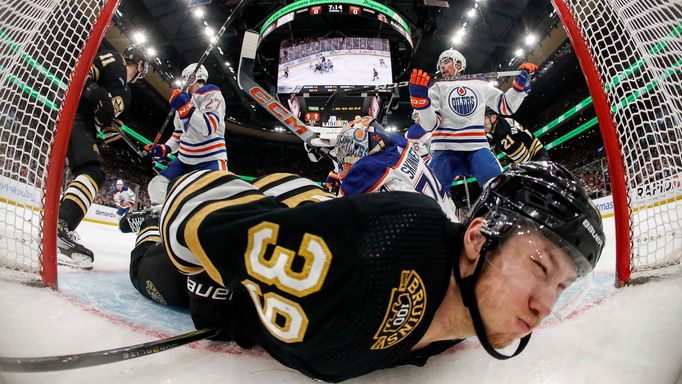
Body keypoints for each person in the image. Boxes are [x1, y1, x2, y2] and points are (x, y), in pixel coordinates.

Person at [134, 161, 603, 382]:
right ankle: (144, 231)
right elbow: (197, 204)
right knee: (155, 274)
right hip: (266, 219)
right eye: (540, 264)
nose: (545, 306)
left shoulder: (469, 314)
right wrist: (206, 275)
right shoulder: (391, 242)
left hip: (311, 218)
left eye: (563, 285)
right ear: (478, 239)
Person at [57, 44, 148, 269]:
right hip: (75, 116)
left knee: (93, 175)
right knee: (92, 173)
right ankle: (60, 226)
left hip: (88, 129)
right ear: (140, 64)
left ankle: (57, 223)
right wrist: (96, 93)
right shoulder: (114, 58)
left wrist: (135, 155)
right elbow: (83, 72)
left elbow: (111, 134)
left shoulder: (126, 94)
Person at [409, 48, 538, 191]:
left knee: (499, 188)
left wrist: (518, 88)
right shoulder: (436, 87)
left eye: (446, 62)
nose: (442, 67)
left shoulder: (479, 84)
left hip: (477, 148)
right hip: (445, 151)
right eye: (440, 65)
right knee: (431, 194)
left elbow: (506, 106)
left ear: (458, 65)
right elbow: (430, 125)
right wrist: (422, 105)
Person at [334, 116, 457, 223]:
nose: (346, 153)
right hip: (448, 215)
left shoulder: (370, 168)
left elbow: (338, 208)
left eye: (349, 146)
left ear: (364, 144)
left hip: (434, 235)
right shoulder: (400, 146)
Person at [146, 63, 227, 207]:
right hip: (185, 160)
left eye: (185, 78)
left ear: (193, 77)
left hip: (210, 160)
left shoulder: (213, 93)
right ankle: (158, 214)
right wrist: (165, 149)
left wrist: (186, 109)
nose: (183, 82)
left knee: (214, 199)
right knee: (157, 184)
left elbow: (209, 126)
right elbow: (178, 134)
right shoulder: (185, 101)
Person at [484, 109, 549, 163]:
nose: (481, 123)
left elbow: (524, 159)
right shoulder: (503, 123)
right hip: (536, 153)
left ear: (493, 118)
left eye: (484, 119)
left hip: (535, 157)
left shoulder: (503, 132)